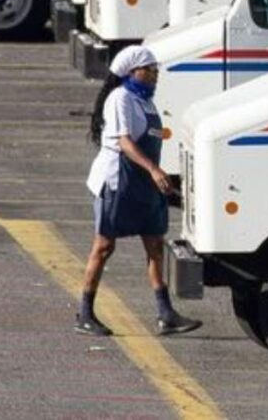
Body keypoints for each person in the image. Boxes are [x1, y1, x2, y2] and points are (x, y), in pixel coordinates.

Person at [76, 46, 201, 337]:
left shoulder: (146, 102)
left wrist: (161, 175)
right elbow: (125, 143)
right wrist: (154, 170)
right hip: (119, 181)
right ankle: (84, 312)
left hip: (144, 184)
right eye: (150, 69)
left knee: (155, 246)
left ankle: (166, 314)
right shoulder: (120, 98)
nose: (156, 74)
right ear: (133, 71)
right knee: (104, 246)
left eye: (157, 69)